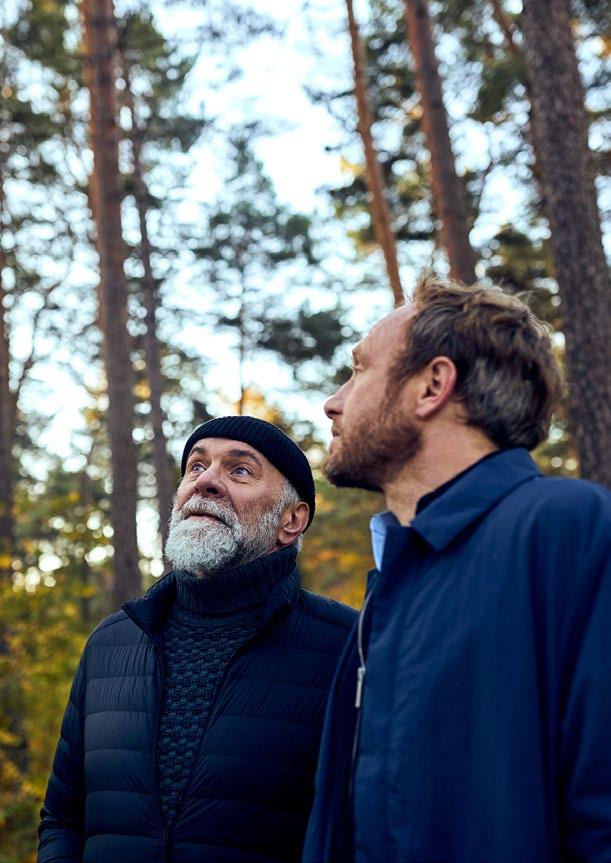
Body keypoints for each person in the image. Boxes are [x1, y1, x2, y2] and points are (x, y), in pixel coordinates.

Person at [303, 276, 611, 863]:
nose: (333, 402)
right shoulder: (388, 590)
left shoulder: (569, 530)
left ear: (432, 386)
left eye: (359, 370)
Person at [39, 415, 356, 863]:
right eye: (196, 466)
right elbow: (63, 819)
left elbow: (363, 830)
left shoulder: (349, 647)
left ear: (292, 520)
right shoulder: (112, 642)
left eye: (239, 470)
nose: (205, 482)